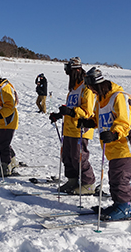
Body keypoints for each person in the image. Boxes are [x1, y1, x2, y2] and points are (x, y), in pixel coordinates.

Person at [78, 67, 131, 221]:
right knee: (114, 176)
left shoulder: (118, 97)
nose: (91, 91)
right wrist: (88, 122)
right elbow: (98, 119)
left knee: (120, 178)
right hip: (113, 146)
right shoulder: (100, 100)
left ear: (99, 85)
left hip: (125, 145)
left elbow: (123, 122)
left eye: (92, 88)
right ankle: (117, 204)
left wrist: (114, 133)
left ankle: (124, 207)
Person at [49, 57, 96, 194]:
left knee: (78, 157)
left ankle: (88, 183)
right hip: (68, 129)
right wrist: (59, 114)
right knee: (67, 156)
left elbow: (87, 111)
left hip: (80, 129)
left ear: (78, 70)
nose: (69, 76)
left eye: (70, 72)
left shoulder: (86, 88)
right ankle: (72, 180)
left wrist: (70, 112)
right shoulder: (73, 89)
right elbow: (71, 107)